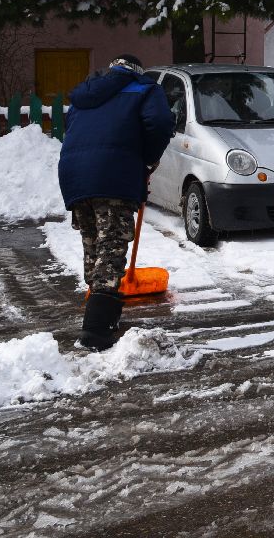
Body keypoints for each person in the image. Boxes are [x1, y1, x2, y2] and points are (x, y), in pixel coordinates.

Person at [57, 54, 174, 351]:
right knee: (111, 246)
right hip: (114, 174)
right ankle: (97, 331)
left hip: (74, 174)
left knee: (93, 242)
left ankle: (96, 309)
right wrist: (147, 158)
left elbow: (68, 127)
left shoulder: (85, 93)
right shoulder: (145, 88)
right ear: (137, 71)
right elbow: (160, 122)